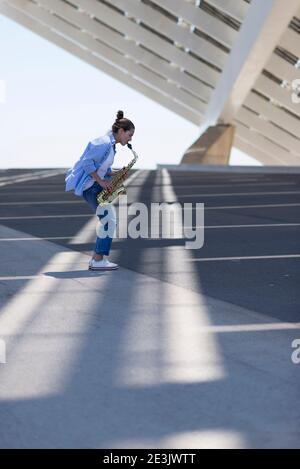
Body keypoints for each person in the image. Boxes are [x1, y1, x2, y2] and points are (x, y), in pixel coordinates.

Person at [65, 110, 135, 270]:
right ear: (122, 131)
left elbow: (102, 167)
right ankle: (97, 260)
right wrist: (101, 182)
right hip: (91, 188)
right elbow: (86, 163)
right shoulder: (103, 143)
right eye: (130, 135)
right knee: (109, 220)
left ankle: (97, 259)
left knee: (108, 220)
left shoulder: (110, 145)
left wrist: (116, 173)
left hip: (94, 186)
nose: (130, 139)